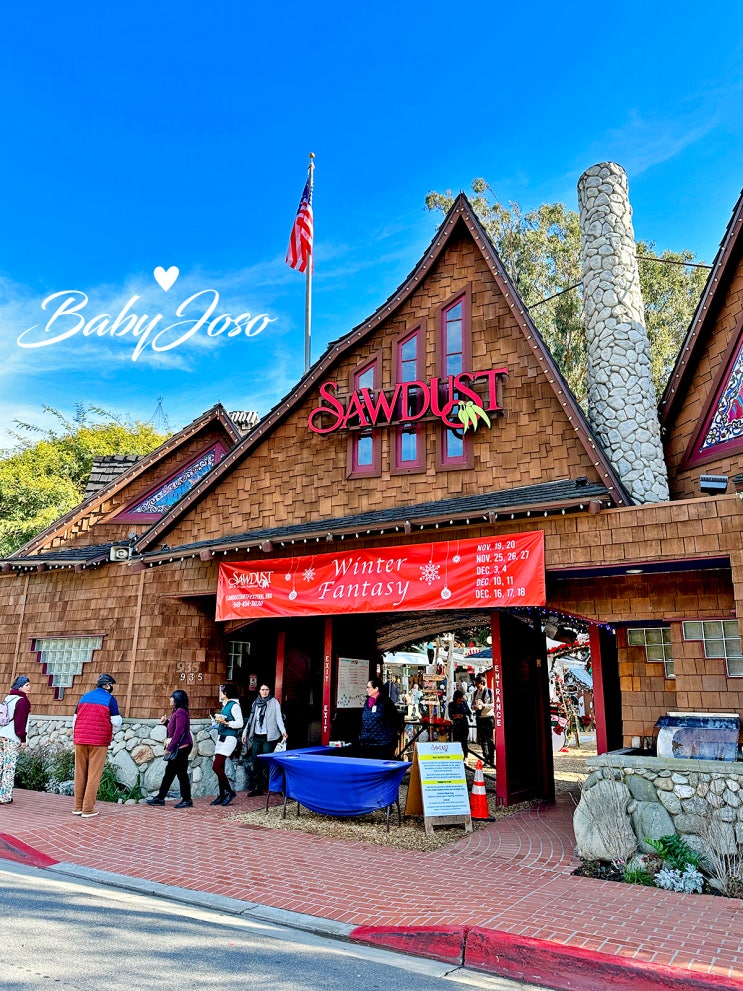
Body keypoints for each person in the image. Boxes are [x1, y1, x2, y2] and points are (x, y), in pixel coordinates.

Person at [72, 673, 122, 818]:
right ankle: (88, 809)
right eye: (111, 685)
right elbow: (116, 721)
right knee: (93, 775)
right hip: (98, 741)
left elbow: (75, 720)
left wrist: (77, 735)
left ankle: (77, 807)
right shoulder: (110, 699)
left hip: (80, 739)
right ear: (107, 685)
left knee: (80, 773)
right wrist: (115, 730)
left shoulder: (84, 697)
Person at [147, 689, 193, 809]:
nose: (170, 699)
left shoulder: (181, 712)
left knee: (181, 773)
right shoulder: (177, 711)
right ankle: (161, 798)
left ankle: (187, 799)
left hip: (182, 747)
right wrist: (166, 722)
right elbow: (174, 728)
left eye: (172, 697)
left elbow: (179, 731)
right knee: (170, 773)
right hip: (180, 746)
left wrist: (170, 747)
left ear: (177, 699)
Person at [242, 684, 287, 797]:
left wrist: (283, 731)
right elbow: (251, 719)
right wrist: (245, 733)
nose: (265, 692)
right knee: (256, 761)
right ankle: (258, 787)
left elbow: (278, 718)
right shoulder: (255, 703)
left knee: (267, 762)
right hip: (257, 736)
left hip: (269, 737)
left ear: (269, 691)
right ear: (259, 691)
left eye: (267, 689)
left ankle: (272, 787)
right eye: (262, 690)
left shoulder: (274, 702)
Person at [0, 675, 32, 805]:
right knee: (9, 767)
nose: (29, 687)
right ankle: (4, 796)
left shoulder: (8, 698)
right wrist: (22, 738)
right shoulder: (22, 701)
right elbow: (20, 722)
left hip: (2, 734)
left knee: (1, 764)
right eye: (27, 685)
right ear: (20, 687)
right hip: (12, 737)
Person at [211, 684, 243, 806]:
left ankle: (230, 792)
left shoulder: (234, 706)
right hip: (222, 737)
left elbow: (240, 723)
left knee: (216, 766)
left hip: (229, 738)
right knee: (220, 767)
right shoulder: (225, 705)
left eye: (222, 691)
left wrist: (226, 723)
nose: (220, 693)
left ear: (227, 693)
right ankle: (222, 794)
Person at [358, 677, 401, 761]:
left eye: (368, 687)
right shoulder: (367, 702)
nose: (367, 690)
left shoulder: (386, 702)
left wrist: (390, 737)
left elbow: (395, 720)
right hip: (367, 741)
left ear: (376, 689)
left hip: (383, 743)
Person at [472, 675, 495, 767]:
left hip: (488, 717)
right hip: (479, 718)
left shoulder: (490, 692)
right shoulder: (474, 693)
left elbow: (494, 704)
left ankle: (491, 759)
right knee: (482, 740)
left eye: (477, 685)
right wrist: (474, 707)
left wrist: (484, 705)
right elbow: (472, 705)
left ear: (482, 683)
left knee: (490, 739)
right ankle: (486, 758)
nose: (476, 687)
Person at [448, 689, 472, 760]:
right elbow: (451, 716)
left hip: (464, 724)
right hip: (456, 725)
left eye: (461, 698)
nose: (461, 700)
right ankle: (457, 757)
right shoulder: (451, 705)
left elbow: (469, 712)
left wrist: (469, 716)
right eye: (459, 698)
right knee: (456, 741)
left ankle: (466, 757)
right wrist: (458, 716)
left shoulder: (464, 703)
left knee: (464, 741)